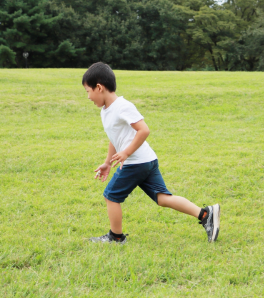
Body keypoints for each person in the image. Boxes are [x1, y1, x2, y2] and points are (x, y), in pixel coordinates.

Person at [82, 62, 220, 244]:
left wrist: (126, 153)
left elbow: (144, 130)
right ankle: (205, 214)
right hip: (146, 160)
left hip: (136, 162)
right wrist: (108, 162)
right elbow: (114, 138)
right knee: (162, 199)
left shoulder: (122, 106)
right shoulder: (105, 111)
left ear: (99, 87)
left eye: (88, 91)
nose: (88, 97)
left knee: (111, 196)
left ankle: (115, 237)